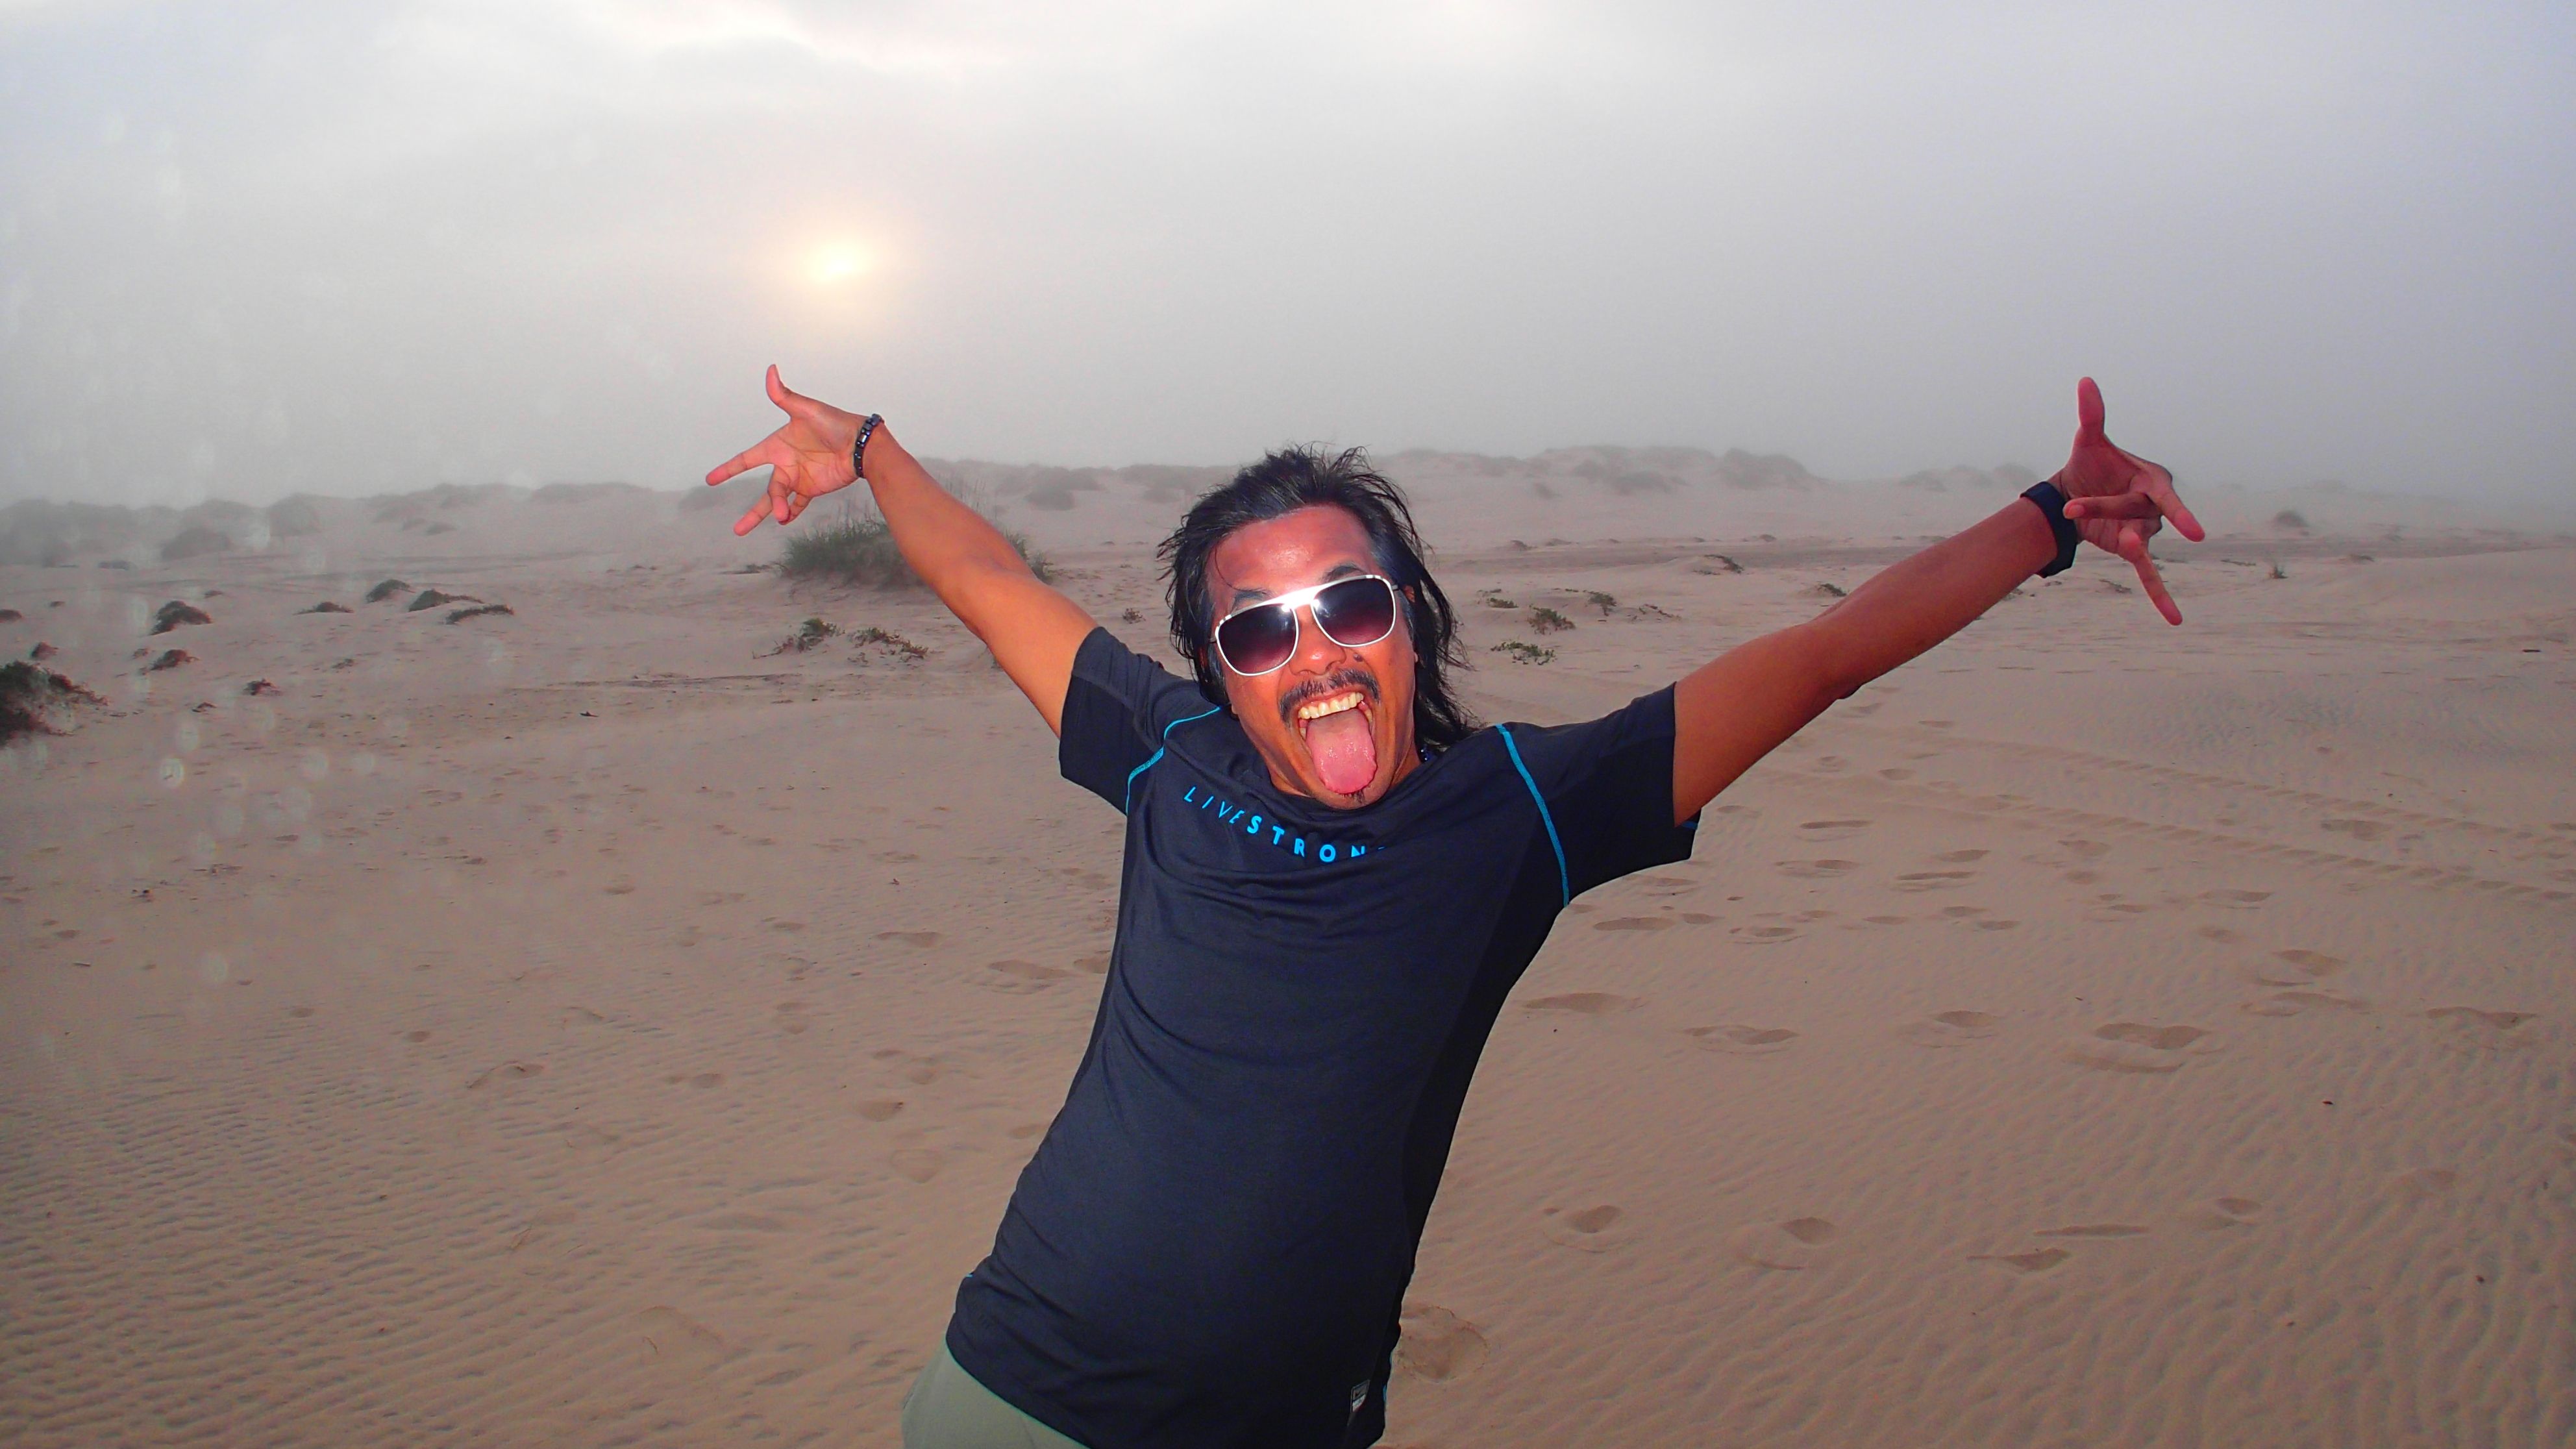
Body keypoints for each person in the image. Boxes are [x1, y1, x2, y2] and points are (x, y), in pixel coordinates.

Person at [705, 369, 2201, 1449]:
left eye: (1351, 605)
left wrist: (2045, 522)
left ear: (1409, 618)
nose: (1316, 655)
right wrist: (874, 444)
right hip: (1014, 1391)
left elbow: (1823, 658)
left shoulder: (1527, 810)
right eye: (1258, 629)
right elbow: (979, 577)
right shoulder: (1164, 752)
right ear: (1218, 668)